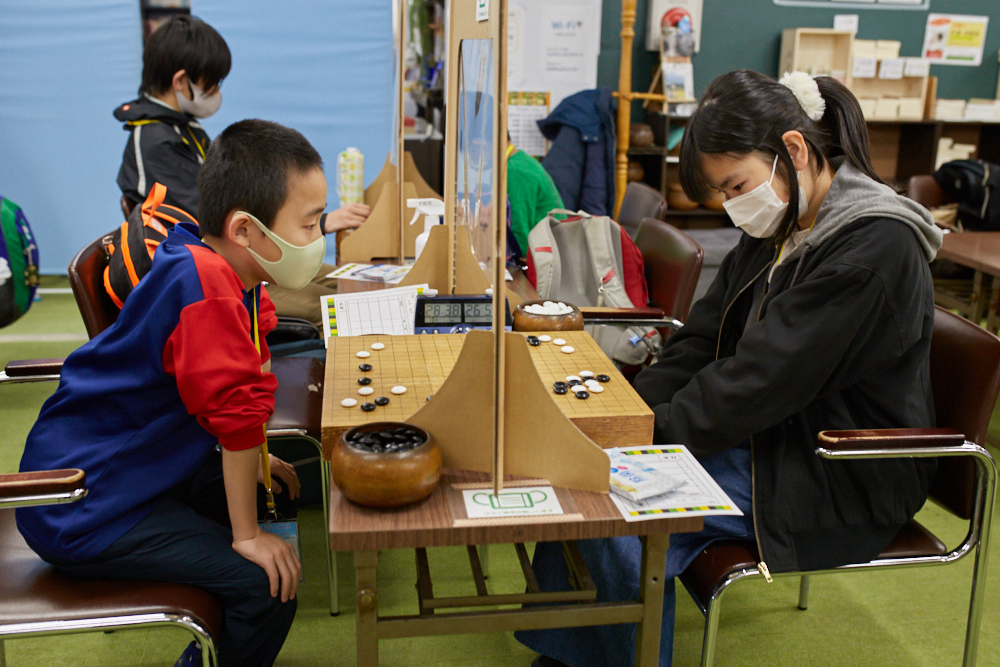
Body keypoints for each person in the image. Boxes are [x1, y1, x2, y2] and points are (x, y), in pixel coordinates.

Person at [517, 69, 942, 667]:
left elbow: (759, 381)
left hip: (837, 465)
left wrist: (640, 437)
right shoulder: (785, 220)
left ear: (793, 150)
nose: (731, 205)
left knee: (612, 503)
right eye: (721, 192)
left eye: (734, 184)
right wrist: (629, 411)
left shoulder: (874, 246)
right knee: (596, 476)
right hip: (773, 434)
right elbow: (702, 341)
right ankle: (578, 654)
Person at [16, 119, 332, 667]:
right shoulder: (205, 287)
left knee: (277, 489)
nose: (317, 240)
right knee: (264, 585)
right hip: (82, 503)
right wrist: (245, 537)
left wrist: (257, 456)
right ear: (244, 230)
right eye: (308, 225)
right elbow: (234, 414)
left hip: (129, 467)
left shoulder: (207, 260)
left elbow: (233, 397)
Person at [113, 14, 368, 325]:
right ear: (181, 82)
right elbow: (210, 222)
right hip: (211, 274)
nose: (218, 91)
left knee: (347, 283)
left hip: (235, 256)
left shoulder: (186, 130)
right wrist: (319, 223)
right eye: (213, 82)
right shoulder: (154, 142)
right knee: (331, 307)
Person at [506, 133, 564, 259]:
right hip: (551, 253)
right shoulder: (519, 160)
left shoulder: (515, 170)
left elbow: (518, 237)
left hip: (548, 260)